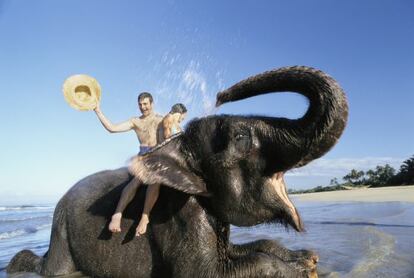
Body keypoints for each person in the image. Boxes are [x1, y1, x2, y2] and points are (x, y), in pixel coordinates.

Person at [94, 96, 187, 236]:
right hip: (143, 156)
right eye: (140, 104)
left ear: (152, 104)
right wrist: (97, 110)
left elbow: (173, 133)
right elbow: (112, 128)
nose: (143, 107)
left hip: (157, 156)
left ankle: (145, 216)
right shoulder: (135, 121)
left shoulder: (161, 119)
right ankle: (117, 214)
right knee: (136, 180)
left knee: (154, 178)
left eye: (145, 104)